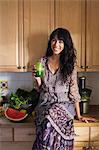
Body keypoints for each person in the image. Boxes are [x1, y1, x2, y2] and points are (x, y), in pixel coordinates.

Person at [32, 28, 96, 150]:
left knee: (51, 116)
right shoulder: (42, 62)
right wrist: (37, 79)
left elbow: (74, 90)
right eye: (54, 40)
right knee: (48, 119)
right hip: (45, 105)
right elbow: (39, 89)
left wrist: (79, 115)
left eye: (60, 41)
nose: (56, 44)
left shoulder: (70, 64)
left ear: (65, 44)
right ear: (50, 42)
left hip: (64, 106)